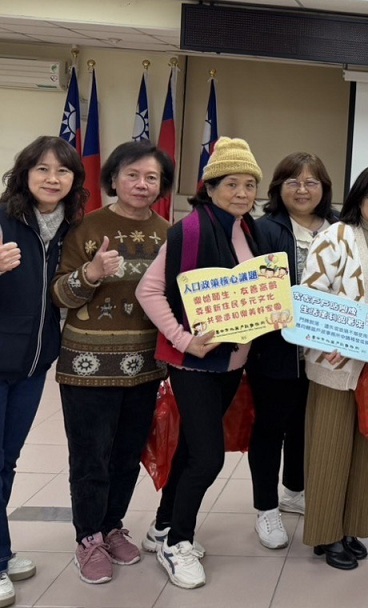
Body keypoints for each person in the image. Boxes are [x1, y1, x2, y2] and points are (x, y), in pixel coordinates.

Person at [137, 137, 263, 589]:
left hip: (232, 363)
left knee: (193, 449)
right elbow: (148, 291)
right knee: (208, 459)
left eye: (250, 184)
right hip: (195, 366)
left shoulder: (247, 230)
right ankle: (178, 544)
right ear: (209, 187)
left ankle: (162, 527)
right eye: (232, 184)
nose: (242, 193)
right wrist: (184, 340)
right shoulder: (188, 232)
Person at [52, 140, 175, 584]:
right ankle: (88, 537)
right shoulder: (86, 227)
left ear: (162, 185)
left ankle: (111, 525)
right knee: (91, 457)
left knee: (126, 455)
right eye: (132, 175)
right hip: (87, 366)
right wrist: (91, 274)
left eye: (151, 177)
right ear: (113, 179)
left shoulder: (169, 233)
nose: (142, 184)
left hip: (145, 366)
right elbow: (59, 294)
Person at [300, 163, 368, 570]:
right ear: (359, 198)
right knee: (330, 448)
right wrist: (329, 340)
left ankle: (350, 528)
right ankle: (325, 535)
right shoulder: (336, 235)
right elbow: (311, 296)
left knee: (367, 449)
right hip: (336, 362)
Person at [0, 136, 86, 606]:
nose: (52, 179)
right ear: (24, 173)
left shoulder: (72, 228)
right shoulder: (3, 219)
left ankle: (1, 548)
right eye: (42, 169)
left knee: (7, 460)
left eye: (63, 170)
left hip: (33, 364)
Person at [246, 152, 337, 550]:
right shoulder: (262, 229)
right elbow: (252, 289)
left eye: (311, 182)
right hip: (274, 351)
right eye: (293, 182)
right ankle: (266, 509)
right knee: (270, 428)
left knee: (305, 426)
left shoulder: (340, 228)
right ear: (278, 188)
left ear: (324, 188)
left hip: (326, 354)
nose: (302, 190)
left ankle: (294, 491)